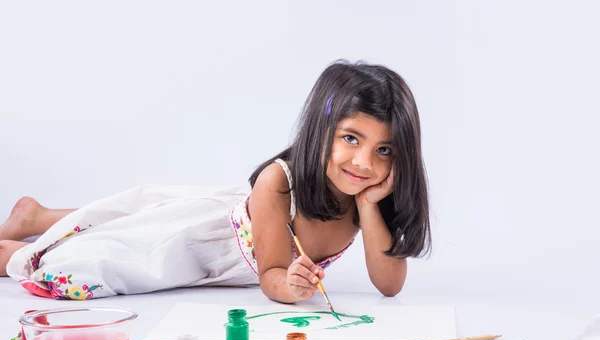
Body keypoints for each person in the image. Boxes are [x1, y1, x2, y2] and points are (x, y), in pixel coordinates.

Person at [0, 59, 431, 302]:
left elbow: (389, 285)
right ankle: (13, 251)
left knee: (122, 219)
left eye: (384, 150)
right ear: (323, 131)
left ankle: (35, 215)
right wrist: (290, 286)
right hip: (196, 242)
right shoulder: (277, 184)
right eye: (351, 138)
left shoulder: (367, 195)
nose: (363, 163)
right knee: (87, 262)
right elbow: (272, 274)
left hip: (229, 258)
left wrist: (371, 206)